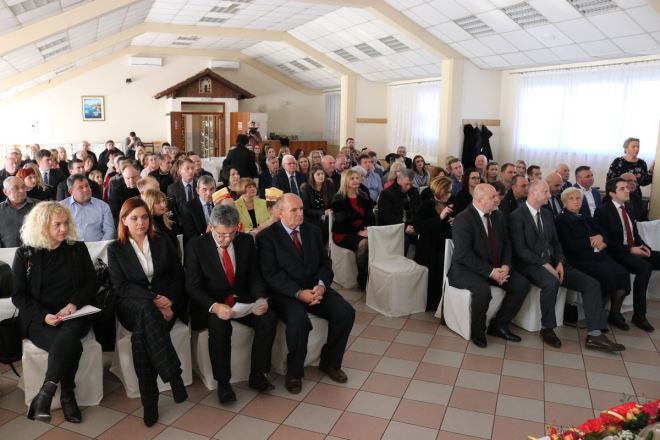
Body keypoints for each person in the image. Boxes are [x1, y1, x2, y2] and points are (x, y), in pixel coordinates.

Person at [509, 180, 624, 352]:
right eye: (545, 192)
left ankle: (595, 335)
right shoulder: (516, 216)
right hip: (529, 263)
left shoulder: (547, 214)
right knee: (551, 282)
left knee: (592, 284)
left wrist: (560, 262)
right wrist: (544, 264)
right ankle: (547, 328)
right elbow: (521, 250)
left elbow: (556, 242)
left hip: (553, 263)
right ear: (533, 193)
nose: (549, 195)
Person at [257, 194, 355, 394]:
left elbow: (325, 263)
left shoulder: (312, 230)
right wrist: (298, 293)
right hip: (285, 294)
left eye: (301, 209)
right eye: (294, 210)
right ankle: (294, 373)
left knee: (345, 312)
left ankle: (330, 363)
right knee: (298, 321)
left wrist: (321, 286)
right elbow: (271, 274)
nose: (300, 213)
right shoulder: (267, 237)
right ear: (280, 212)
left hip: (314, 288)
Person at [12, 202, 97, 423]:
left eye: (66, 223)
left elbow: (91, 283)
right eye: (57, 224)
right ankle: (67, 395)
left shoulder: (77, 249)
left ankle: (46, 393)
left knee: (67, 337)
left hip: (74, 314)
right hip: (39, 319)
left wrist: (73, 304)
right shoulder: (25, 254)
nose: (64, 228)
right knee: (70, 344)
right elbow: (18, 296)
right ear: (41, 226)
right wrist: (43, 316)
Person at [107, 198, 188, 426]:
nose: (140, 222)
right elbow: (121, 287)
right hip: (131, 305)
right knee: (146, 310)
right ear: (124, 220)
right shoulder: (115, 248)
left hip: (164, 304)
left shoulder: (162, 241)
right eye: (134, 218)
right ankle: (173, 376)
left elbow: (177, 275)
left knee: (141, 337)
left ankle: (150, 401)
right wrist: (154, 300)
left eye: (144, 217)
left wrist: (169, 300)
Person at [185, 205, 277, 402]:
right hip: (212, 303)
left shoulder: (245, 241)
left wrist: (260, 298)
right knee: (219, 327)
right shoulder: (196, 246)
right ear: (211, 227)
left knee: (267, 318)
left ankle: (258, 374)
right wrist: (215, 307)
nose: (227, 239)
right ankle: (224, 383)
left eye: (232, 233)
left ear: (238, 227)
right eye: (221, 235)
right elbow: (193, 287)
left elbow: (254, 276)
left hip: (241, 301)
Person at [450, 184, 530, 347]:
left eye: (497, 196)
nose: (497, 199)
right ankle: (478, 332)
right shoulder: (463, 219)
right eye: (492, 197)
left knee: (521, 284)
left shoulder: (498, 216)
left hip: (496, 267)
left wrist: (506, 266)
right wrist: (491, 272)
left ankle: (499, 325)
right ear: (480, 200)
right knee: (482, 291)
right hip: (467, 270)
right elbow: (464, 255)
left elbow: (507, 244)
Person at [556, 187, 632, 331]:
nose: (576, 201)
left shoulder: (586, 217)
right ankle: (598, 317)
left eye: (578, 198)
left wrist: (601, 237)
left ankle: (615, 313)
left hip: (598, 255)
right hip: (579, 258)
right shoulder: (561, 220)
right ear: (564, 202)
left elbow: (603, 233)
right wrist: (592, 241)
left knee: (622, 272)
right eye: (571, 199)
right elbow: (568, 244)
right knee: (606, 275)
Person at [594, 178, 659, 332]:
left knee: (654, 258)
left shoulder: (628, 208)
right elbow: (606, 240)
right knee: (644, 268)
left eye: (627, 188)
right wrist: (630, 249)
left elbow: (635, 234)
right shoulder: (603, 211)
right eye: (622, 188)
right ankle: (639, 316)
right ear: (612, 193)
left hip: (632, 249)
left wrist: (644, 247)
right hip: (616, 253)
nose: (627, 190)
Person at [412, 176, 453, 311]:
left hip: (444, 245)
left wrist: (454, 222)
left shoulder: (451, 204)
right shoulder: (426, 205)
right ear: (439, 191)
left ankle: (442, 299)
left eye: (450, 191)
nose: (449, 194)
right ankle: (430, 301)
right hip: (428, 247)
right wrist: (439, 218)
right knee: (435, 267)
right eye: (447, 192)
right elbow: (418, 227)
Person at [331, 169, 375, 289]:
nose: (356, 181)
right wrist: (358, 232)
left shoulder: (363, 195)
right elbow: (341, 222)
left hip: (361, 231)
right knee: (364, 243)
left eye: (357, 178)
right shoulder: (338, 198)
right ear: (345, 181)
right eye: (352, 178)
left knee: (377, 240)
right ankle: (362, 277)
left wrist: (368, 229)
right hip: (343, 233)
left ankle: (374, 274)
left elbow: (370, 215)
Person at [61, 174, 115, 242]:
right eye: (81, 187)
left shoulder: (103, 206)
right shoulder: (61, 207)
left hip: (98, 246)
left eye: (87, 186)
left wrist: (101, 246)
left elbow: (110, 231)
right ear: (71, 191)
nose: (86, 189)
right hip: (71, 246)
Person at [300, 166, 334, 244]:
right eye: (318, 174)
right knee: (320, 230)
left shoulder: (329, 185)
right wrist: (322, 212)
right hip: (311, 219)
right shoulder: (307, 189)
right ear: (312, 176)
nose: (321, 176)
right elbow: (306, 210)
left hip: (327, 217)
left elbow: (333, 201)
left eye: (322, 174)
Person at [142, 189, 182, 254]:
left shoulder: (171, 224)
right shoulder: (146, 229)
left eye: (163, 201)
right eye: (158, 203)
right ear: (150, 205)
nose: (163, 205)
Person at [0, 177, 36, 247]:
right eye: (16, 188)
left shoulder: (39, 206)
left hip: (35, 251)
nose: (22, 190)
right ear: (5, 192)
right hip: (5, 252)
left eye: (23, 187)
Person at [182, 175, 216, 243]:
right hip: (200, 243)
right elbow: (190, 235)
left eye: (212, 189)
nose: (208, 193)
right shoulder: (188, 207)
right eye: (204, 189)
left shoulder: (220, 204)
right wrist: (206, 236)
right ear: (197, 190)